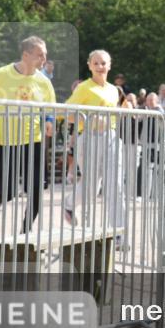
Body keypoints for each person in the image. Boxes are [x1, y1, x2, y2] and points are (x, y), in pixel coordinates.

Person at [0, 36, 57, 233]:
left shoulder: (44, 81)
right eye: (40, 55)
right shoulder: (1, 74)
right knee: (8, 190)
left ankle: (25, 232)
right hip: (3, 141)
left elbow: (49, 107)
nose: (44, 59)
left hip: (33, 141)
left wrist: (49, 121)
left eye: (45, 54)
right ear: (26, 55)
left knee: (37, 190)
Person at [63, 50, 126, 236]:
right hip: (89, 138)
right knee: (91, 188)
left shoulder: (114, 90)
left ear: (110, 65)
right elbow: (67, 113)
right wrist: (87, 119)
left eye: (103, 63)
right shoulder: (83, 88)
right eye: (96, 63)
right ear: (90, 66)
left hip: (111, 138)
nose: (100, 67)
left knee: (115, 185)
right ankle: (69, 204)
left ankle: (118, 233)